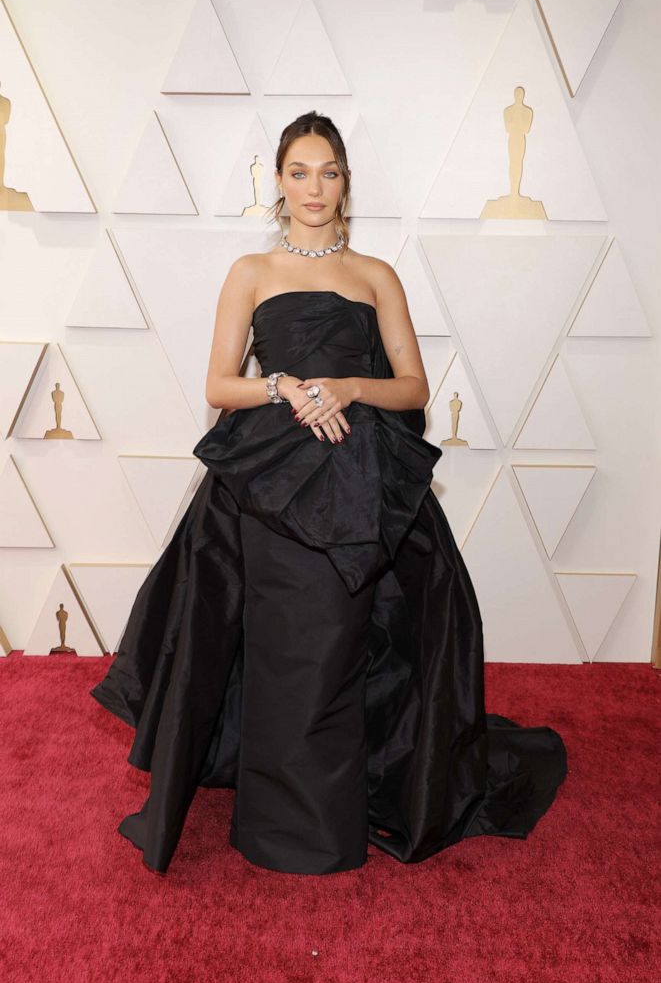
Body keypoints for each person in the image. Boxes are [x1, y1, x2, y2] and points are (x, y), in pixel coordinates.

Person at [90, 111, 568, 877]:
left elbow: (412, 387)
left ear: (346, 181)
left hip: (361, 483)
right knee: (275, 646)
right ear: (278, 183)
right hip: (268, 482)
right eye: (299, 172)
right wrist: (281, 387)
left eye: (329, 171)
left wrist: (346, 386)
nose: (314, 187)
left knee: (348, 644)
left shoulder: (376, 274)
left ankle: (340, 800)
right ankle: (276, 816)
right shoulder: (251, 271)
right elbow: (220, 384)